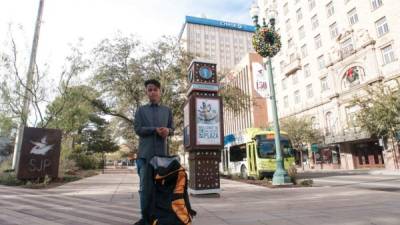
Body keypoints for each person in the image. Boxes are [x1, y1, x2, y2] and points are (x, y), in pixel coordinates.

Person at [133, 79, 174, 225]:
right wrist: (154, 130)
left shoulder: (167, 110)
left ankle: (160, 218)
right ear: (147, 93)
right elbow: (138, 129)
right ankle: (146, 219)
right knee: (145, 190)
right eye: (149, 90)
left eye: (155, 89)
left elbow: (172, 129)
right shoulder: (140, 110)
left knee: (162, 189)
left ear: (160, 91)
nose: (152, 92)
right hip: (145, 157)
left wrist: (167, 131)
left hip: (163, 157)